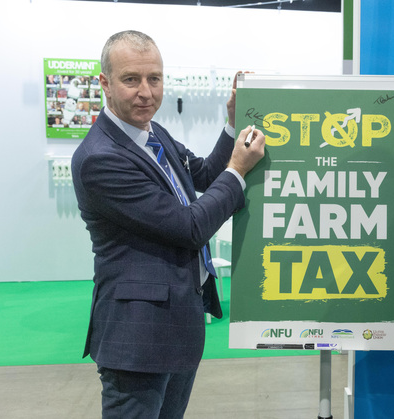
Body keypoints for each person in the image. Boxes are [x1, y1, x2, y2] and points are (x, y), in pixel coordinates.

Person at [71, 30, 265, 418]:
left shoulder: (153, 133)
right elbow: (190, 226)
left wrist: (231, 124)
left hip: (177, 327)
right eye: (131, 80)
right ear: (105, 84)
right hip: (137, 338)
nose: (146, 92)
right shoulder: (100, 158)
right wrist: (239, 172)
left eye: (154, 78)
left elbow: (206, 175)